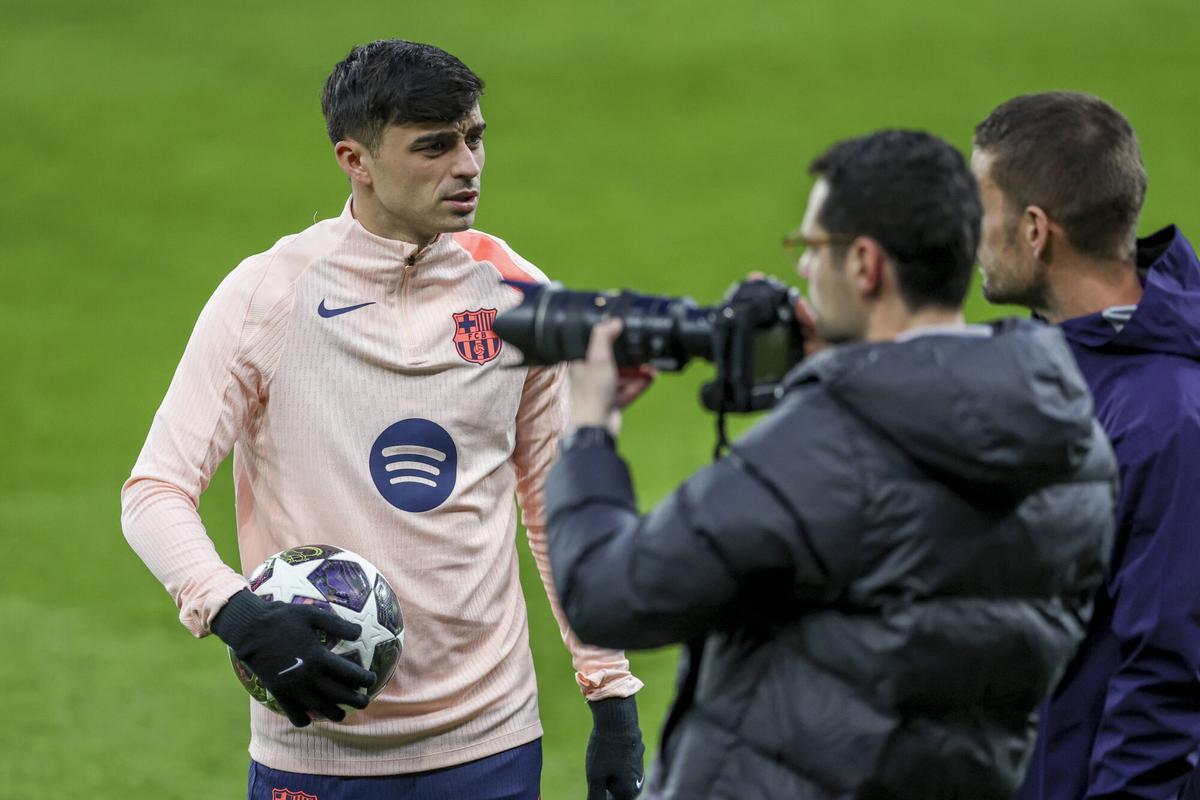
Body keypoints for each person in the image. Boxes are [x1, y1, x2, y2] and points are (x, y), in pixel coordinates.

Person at [120, 39, 645, 800]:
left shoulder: (520, 299)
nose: (466, 165)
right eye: (433, 146)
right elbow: (154, 490)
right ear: (354, 160)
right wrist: (233, 610)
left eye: (475, 138)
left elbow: (556, 506)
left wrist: (610, 692)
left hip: (491, 742)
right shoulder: (267, 297)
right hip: (317, 748)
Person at [543, 129, 1118, 799]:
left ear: (866, 264)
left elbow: (608, 595)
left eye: (812, 249)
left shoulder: (830, 448)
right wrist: (844, 378)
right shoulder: (1074, 445)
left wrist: (588, 431)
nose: (804, 273)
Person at [973, 91, 1200, 800]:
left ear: (1036, 230)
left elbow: (1167, 680)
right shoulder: (1043, 356)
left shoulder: (1167, 418)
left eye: (981, 212)